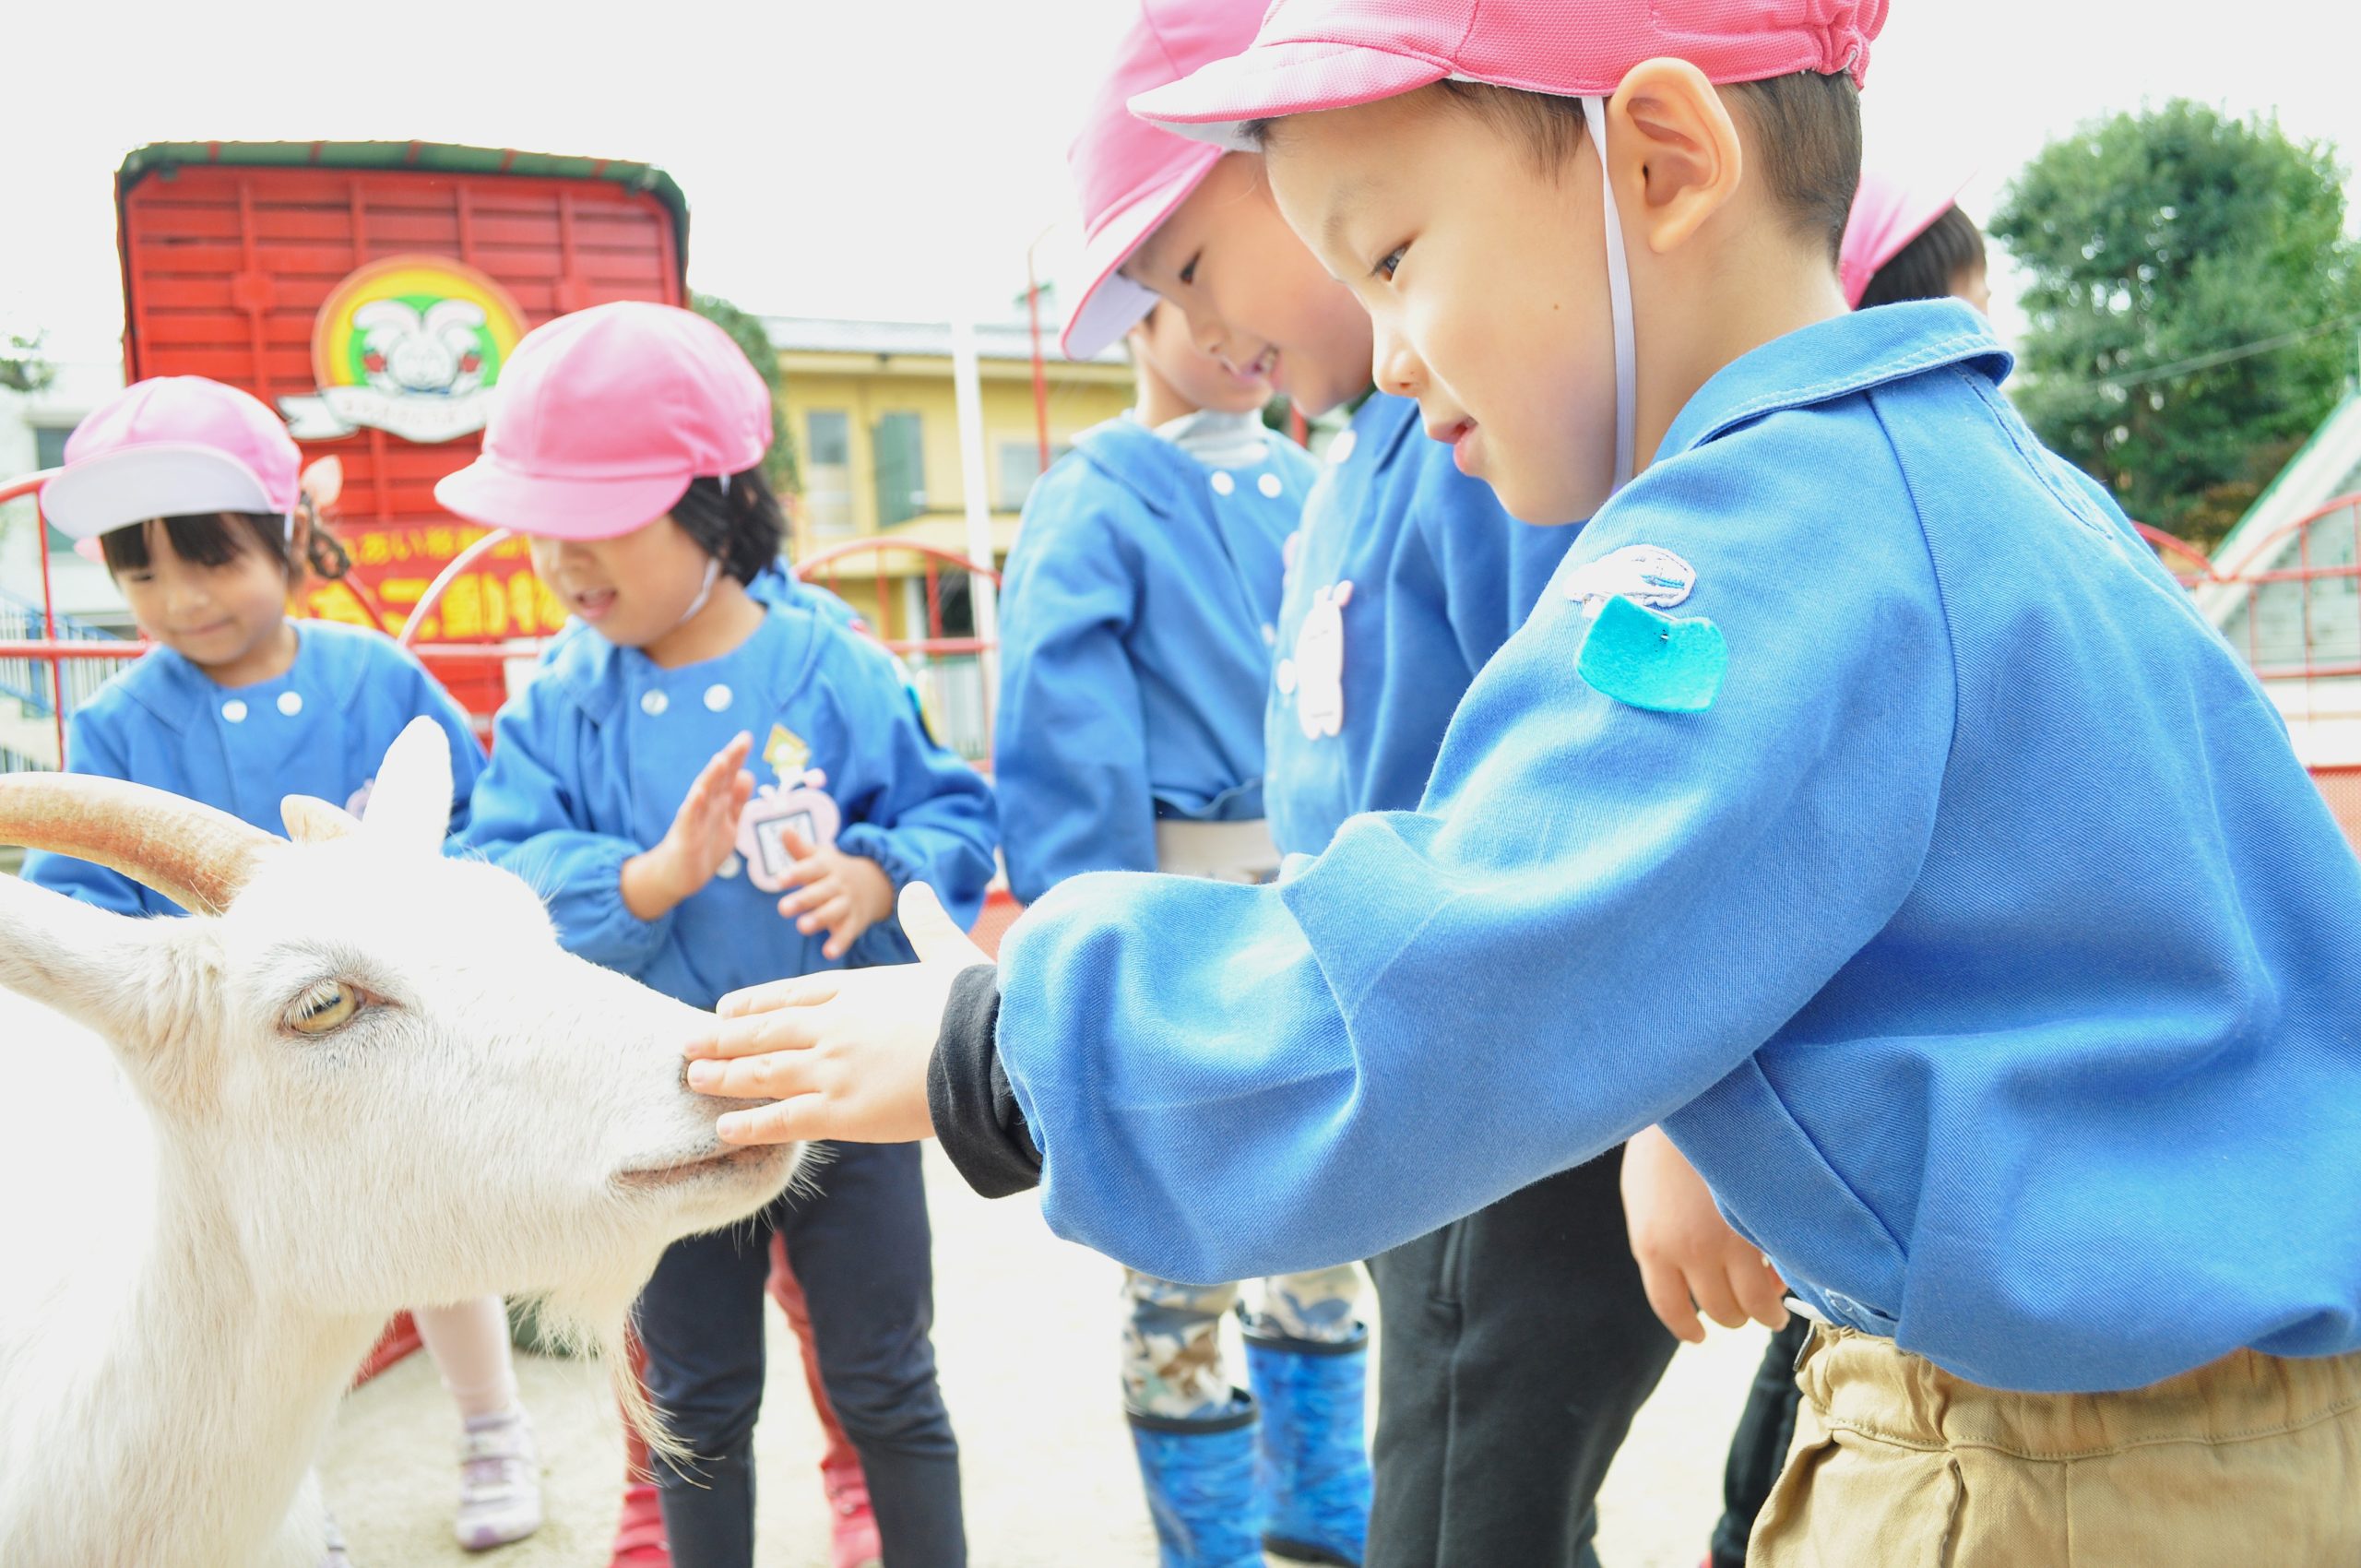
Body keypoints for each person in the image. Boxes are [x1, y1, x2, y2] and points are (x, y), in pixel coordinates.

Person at [685, 3, 2361, 1562]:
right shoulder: (1963, 476)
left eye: (1402, 257)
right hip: (2168, 1405)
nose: (1397, 355)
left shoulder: (1757, 546)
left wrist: (1004, 1047)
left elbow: (1476, 958)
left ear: (1663, 163)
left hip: (2069, 1467)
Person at [1040, 6, 1603, 1563]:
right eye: (1168, 301)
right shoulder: (1355, 450)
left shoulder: (1485, 446)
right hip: (1366, 1033)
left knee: (1472, 1486)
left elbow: (1577, 791)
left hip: (1486, 1073)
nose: (1208, 331)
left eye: (1198, 267)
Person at [441, 301, 995, 1568]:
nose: (564, 565)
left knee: (886, 1380)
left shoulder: (838, 668)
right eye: (542, 534)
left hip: (848, 1094)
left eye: (598, 528)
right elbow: (496, 869)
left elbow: (952, 806)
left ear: (716, 503)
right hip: (665, 1111)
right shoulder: (560, 705)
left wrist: (875, 873)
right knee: (692, 1404)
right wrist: (645, 879)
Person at [24, 374, 540, 1560]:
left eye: (210, 555)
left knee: (427, 1237)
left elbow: (474, 830)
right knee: (240, 1312)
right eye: (141, 569)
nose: (181, 596)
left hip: (377, 1047)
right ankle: (294, 1506)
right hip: (226, 1086)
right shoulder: (119, 727)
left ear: (287, 535)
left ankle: (492, 1421)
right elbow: (78, 894)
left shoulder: (377, 679)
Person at [1684, 155, 2001, 1568]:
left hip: (1946, 1263)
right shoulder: (1942, 518)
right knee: (1804, 1381)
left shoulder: (1876, 536)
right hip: (1903, 1231)